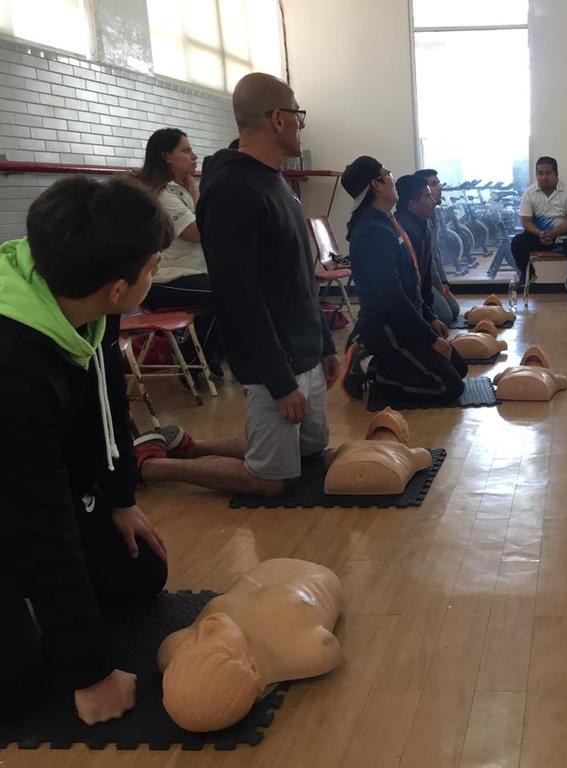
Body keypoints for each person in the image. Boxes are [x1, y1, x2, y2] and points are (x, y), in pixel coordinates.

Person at [0, 176, 171, 724]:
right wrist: (92, 673)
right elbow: (40, 519)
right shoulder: (12, 364)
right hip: (18, 499)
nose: (156, 274)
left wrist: (120, 498)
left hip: (25, 485)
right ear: (119, 288)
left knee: (139, 572)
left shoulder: (89, 296)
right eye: (153, 267)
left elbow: (108, 397)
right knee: (14, 689)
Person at [134, 73, 339, 497]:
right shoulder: (231, 190)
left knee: (309, 453)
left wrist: (324, 344)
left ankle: (190, 447)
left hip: (300, 350)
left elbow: (300, 277)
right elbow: (239, 296)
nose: (301, 124)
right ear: (278, 119)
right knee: (271, 480)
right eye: (298, 115)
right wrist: (279, 380)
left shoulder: (276, 182)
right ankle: (151, 467)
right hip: (274, 361)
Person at [341, 155, 467, 404]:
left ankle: (388, 362)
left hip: (404, 322)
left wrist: (429, 318)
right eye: (387, 173)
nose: (392, 179)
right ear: (376, 184)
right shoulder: (372, 231)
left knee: (459, 368)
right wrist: (430, 339)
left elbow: (411, 285)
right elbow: (392, 297)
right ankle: (368, 366)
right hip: (386, 329)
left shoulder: (387, 222)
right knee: (448, 387)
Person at [137, 128, 222, 376]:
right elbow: (198, 232)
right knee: (227, 291)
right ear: (167, 156)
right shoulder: (163, 195)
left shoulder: (182, 189)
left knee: (234, 285)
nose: (194, 156)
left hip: (188, 274)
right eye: (186, 150)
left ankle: (208, 357)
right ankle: (194, 362)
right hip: (163, 281)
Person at [511, 156, 567, 304]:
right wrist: (540, 233)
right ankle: (529, 274)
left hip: (563, 236)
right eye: (540, 173)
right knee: (517, 242)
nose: (544, 177)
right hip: (538, 236)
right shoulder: (529, 192)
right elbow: (526, 221)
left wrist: (554, 233)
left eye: (548, 173)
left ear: (556, 174)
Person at [395, 174, 446, 336]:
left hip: (420, 295)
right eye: (427, 197)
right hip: (407, 301)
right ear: (412, 204)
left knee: (450, 313)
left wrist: (430, 314)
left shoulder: (423, 223)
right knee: (446, 317)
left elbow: (426, 273)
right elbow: (407, 285)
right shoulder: (404, 230)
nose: (433, 201)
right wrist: (428, 318)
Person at [413, 168, 461, 324]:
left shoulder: (433, 214)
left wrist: (444, 281)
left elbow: (436, 253)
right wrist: (439, 287)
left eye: (438, 183)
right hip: (420, 280)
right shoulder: (420, 219)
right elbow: (427, 262)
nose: (440, 187)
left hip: (432, 276)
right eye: (434, 184)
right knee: (446, 317)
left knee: (455, 310)